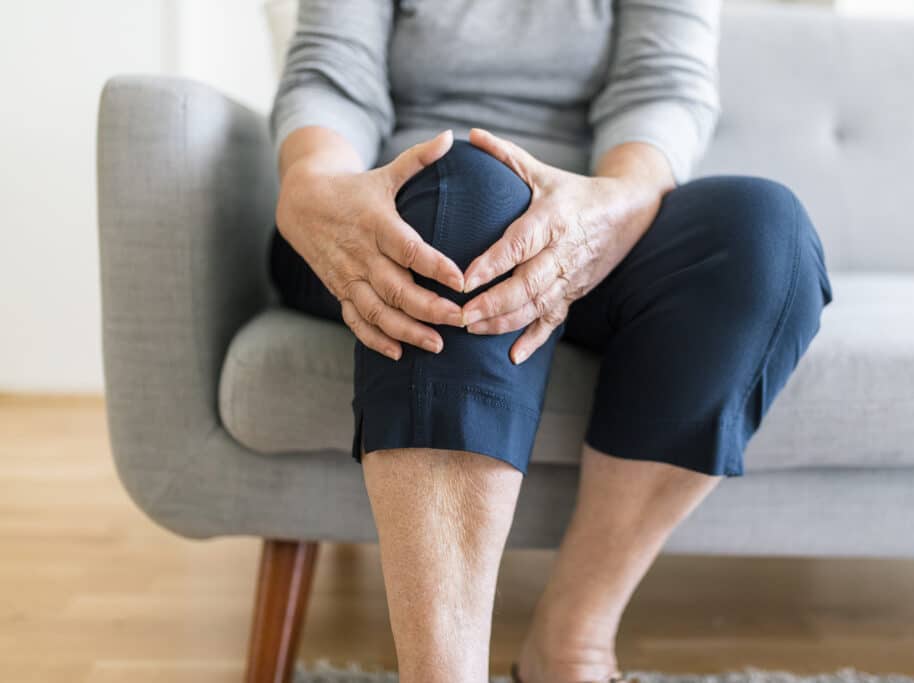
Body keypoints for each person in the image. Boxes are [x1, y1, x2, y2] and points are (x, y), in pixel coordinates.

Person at [268, 1, 833, 681]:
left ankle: (570, 646)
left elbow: (660, 85)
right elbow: (334, 75)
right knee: (473, 185)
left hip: (594, 213)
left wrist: (608, 206)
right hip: (394, 226)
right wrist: (312, 185)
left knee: (762, 234)